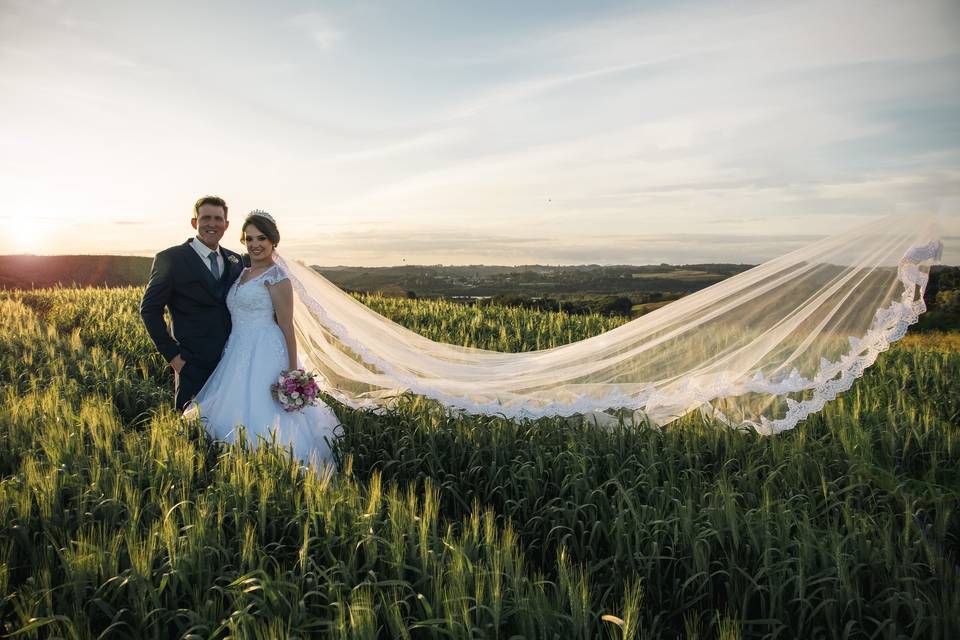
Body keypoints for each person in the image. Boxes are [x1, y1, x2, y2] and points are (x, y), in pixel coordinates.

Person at [182, 210, 339, 466]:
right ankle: (233, 459)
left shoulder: (277, 277)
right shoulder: (242, 273)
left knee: (266, 410)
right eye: (250, 238)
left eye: (261, 238)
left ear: (273, 242)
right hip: (236, 350)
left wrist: (291, 371)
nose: (255, 245)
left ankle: (274, 462)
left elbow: (287, 326)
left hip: (266, 350)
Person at [140, 196, 244, 411]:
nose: (212, 224)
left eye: (218, 219)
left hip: (233, 361)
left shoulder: (235, 260)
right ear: (194, 222)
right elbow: (149, 310)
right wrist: (173, 357)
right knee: (193, 431)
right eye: (205, 218)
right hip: (192, 364)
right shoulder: (170, 259)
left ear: (226, 225)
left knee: (232, 428)